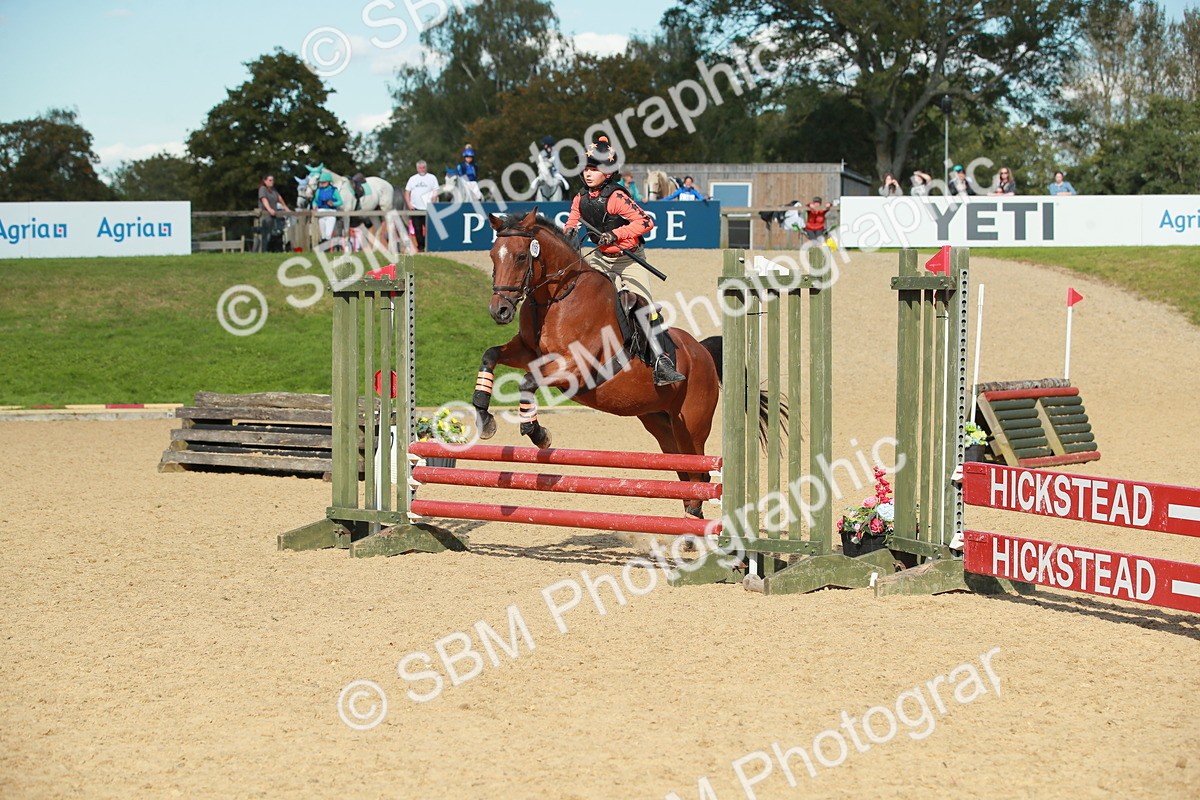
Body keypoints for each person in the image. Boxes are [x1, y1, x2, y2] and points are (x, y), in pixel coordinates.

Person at [562, 136, 684, 386]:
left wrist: (616, 234)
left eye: (593, 168)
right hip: (600, 257)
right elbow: (572, 221)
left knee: (646, 307)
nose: (587, 173)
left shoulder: (617, 197)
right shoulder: (580, 198)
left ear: (607, 172)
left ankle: (662, 361)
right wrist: (569, 233)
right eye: (586, 168)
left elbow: (646, 222)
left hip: (628, 259)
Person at [404, 160, 440, 251]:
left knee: (430, 229)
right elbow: (407, 192)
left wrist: (434, 199)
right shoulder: (412, 179)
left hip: (428, 208)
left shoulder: (432, 178)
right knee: (417, 229)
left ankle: (431, 246)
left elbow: (436, 190)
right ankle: (421, 247)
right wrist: (409, 204)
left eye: (423, 167)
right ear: (417, 168)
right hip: (416, 208)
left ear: (426, 167)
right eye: (420, 168)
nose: (422, 169)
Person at [256, 175, 289, 253]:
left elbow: (279, 198)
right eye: (270, 180)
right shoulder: (262, 189)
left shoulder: (273, 190)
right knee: (265, 234)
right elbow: (264, 199)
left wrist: (285, 207)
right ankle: (263, 251)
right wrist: (269, 209)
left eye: (273, 180)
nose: (272, 182)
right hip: (265, 213)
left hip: (273, 214)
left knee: (273, 234)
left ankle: (269, 250)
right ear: (265, 181)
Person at [313, 171, 343, 242]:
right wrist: (314, 205)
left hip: (331, 213)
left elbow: (340, 201)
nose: (322, 184)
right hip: (321, 213)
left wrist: (333, 203)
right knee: (323, 234)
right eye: (321, 182)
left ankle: (327, 248)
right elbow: (315, 201)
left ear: (329, 182)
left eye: (324, 182)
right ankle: (324, 249)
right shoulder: (318, 191)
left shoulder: (334, 190)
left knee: (328, 234)